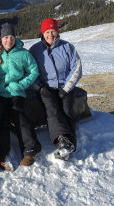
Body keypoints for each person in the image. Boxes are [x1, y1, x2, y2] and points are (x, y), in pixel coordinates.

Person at [0, 22, 42, 169]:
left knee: (19, 114)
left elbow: (33, 71)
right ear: (0, 38)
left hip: (16, 91)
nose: (9, 40)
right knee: (0, 116)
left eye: (12, 37)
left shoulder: (23, 53)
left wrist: (20, 85)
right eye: (6, 37)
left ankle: (30, 149)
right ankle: (2, 154)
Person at [29, 18, 82, 160]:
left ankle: (66, 146)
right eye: (47, 32)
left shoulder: (67, 47)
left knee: (67, 110)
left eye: (53, 31)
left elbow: (76, 68)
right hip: (46, 88)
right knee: (51, 108)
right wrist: (39, 88)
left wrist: (66, 89)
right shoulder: (35, 50)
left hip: (65, 87)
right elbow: (30, 72)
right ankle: (64, 142)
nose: (50, 35)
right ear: (42, 32)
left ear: (57, 32)